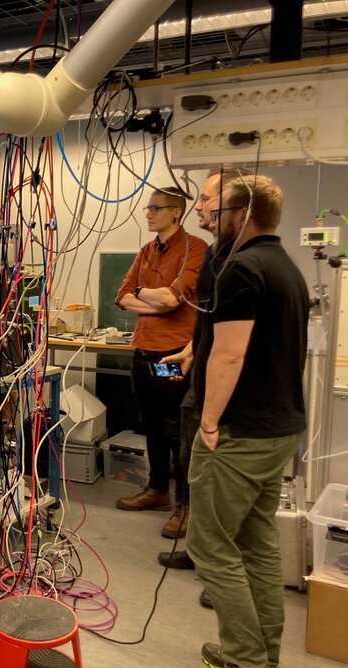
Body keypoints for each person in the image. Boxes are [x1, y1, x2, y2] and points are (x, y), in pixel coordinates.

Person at [186, 175, 308, 668]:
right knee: (256, 543)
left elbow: (230, 355)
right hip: (279, 429)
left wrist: (209, 422)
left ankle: (243, 658)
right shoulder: (286, 268)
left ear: (243, 215)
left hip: (239, 433)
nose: (209, 217)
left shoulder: (242, 269)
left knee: (209, 545)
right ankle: (263, 655)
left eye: (217, 211)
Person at [157, 168, 251, 561]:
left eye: (208, 198)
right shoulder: (216, 255)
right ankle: (197, 545)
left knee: (213, 475)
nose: (199, 206)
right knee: (188, 456)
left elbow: (233, 346)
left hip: (223, 390)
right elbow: (208, 318)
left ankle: (215, 563)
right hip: (197, 373)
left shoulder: (242, 262)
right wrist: (192, 350)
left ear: (238, 206)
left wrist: (210, 418)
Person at [113, 188, 208, 525]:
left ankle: (184, 506)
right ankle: (157, 490)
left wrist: (147, 296)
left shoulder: (196, 248)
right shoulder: (146, 250)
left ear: (176, 212)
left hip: (173, 355)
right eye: (148, 208)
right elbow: (122, 296)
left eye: (156, 208)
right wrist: (153, 302)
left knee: (176, 429)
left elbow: (172, 298)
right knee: (151, 424)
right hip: (143, 352)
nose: (149, 213)